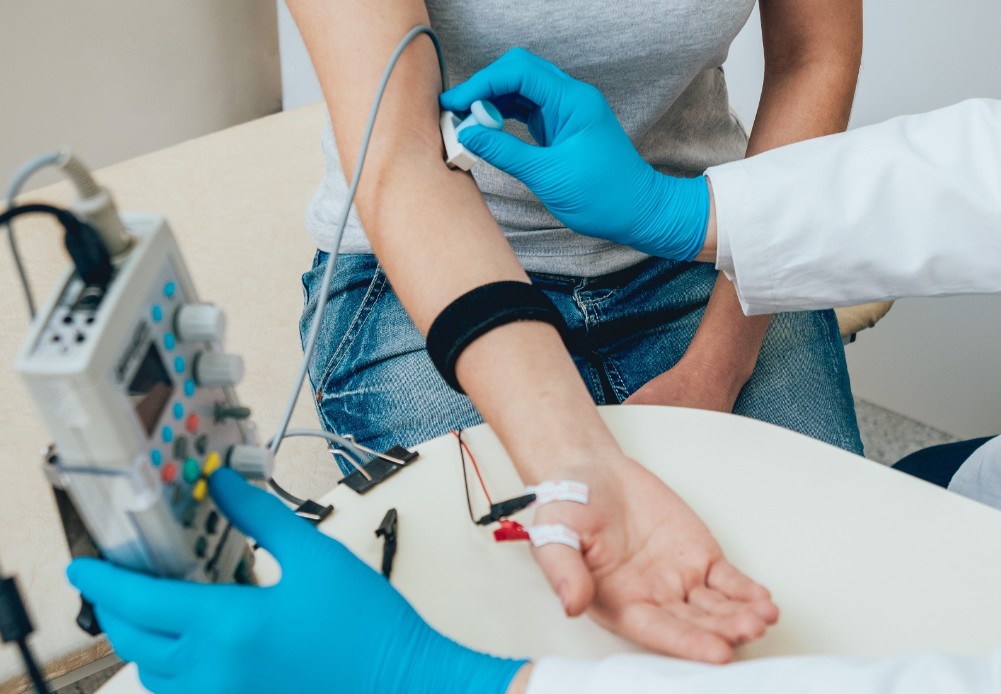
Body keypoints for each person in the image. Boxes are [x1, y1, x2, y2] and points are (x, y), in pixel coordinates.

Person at [70, 0, 1001, 690]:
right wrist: (585, 450)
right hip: (432, 272)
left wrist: (716, 334)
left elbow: (815, 54)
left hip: (699, 266)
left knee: (794, 600)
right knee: (493, 597)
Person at [285, 0, 866, 660]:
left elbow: (814, 56)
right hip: (426, 264)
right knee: (521, 623)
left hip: (695, 236)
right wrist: (574, 463)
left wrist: (720, 362)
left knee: (821, 599)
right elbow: (404, 156)